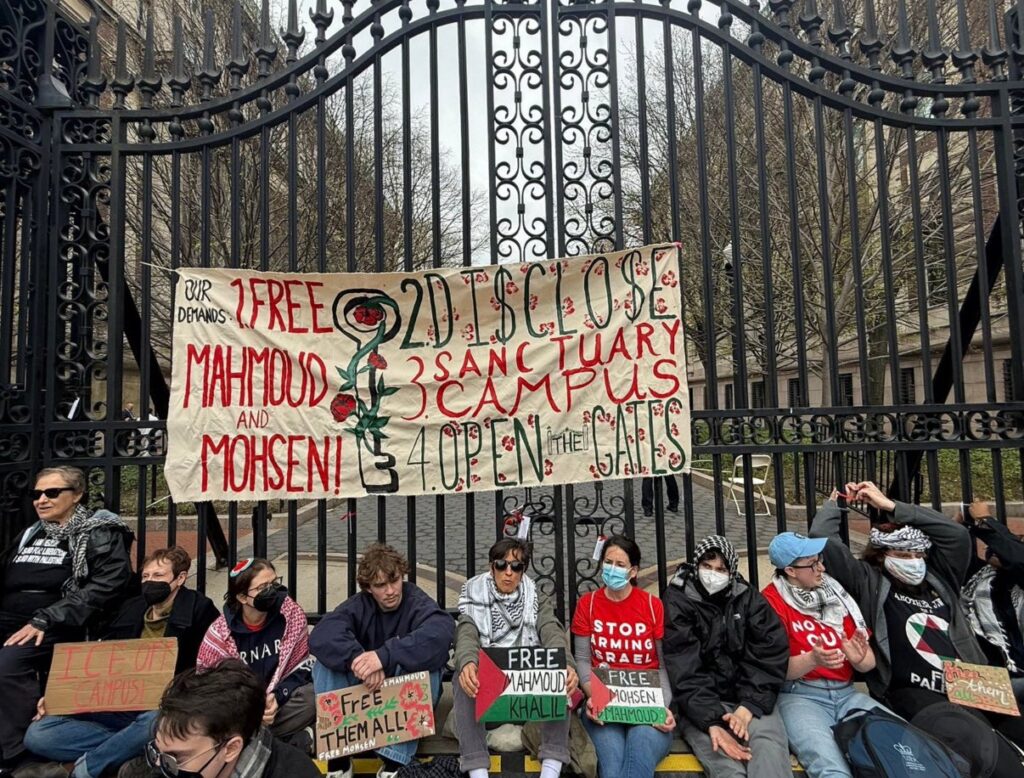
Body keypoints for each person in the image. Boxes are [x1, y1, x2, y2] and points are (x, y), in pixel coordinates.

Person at [809, 481, 1024, 747]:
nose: (913, 561)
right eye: (903, 554)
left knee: (1016, 729)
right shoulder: (867, 580)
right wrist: (836, 503)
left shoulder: (940, 577)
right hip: (914, 689)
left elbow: (955, 534)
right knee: (977, 741)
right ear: (882, 555)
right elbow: (822, 537)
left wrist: (891, 506)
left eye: (918, 554)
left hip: (971, 683)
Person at [21, 547, 219, 778]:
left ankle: (79, 769)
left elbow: (208, 669)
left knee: (156, 721)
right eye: (145, 576)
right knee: (38, 734)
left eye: (158, 575)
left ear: (180, 578)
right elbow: (101, 658)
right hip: (118, 706)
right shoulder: (131, 608)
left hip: (163, 708)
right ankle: (134, 749)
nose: (150, 582)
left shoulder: (200, 610)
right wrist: (58, 697)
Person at [0, 467, 133, 772]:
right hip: (11, 615)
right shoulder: (31, 532)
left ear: (77, 495)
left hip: (57, 621)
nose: (41, 500)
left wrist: (46, 618)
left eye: (52, 492)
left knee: (7, 664)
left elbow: (108, 583)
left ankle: (20, 755)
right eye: (36, 494)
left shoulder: (98, 530)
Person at [309, 544, 454, 778]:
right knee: (325, 664)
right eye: (380, 585)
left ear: (402, 575)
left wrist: (383, 656)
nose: (390, 591)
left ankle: (394, 762)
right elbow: (322, 634)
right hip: (366, 692)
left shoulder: (416, 600)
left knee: (429, 663)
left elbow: (441, 632)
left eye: (394, 581)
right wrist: (358, 659)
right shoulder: (359, 605)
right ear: (368, 588)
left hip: (401, 691)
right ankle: (339, 759)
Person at [662, 534, 791, 778]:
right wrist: (711, 721)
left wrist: (749, 706)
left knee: (769, 751)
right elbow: (684, 668)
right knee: (726, 764)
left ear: (731, 572)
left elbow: (769, 653)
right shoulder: (678, 600)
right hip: (699, 705)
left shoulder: (748, 598)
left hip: (750, 699)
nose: (713, 574)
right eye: (707, 566)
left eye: (721, 569)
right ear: (696, 566)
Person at [762, 532, 889, 778]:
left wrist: (859, 659)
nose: (821, 568)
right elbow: (774, 669)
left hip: (848, 694)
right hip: (801, 696)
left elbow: (868, 663)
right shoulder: (771, 601)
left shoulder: (837, 595)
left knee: (900, 749)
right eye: (812, 564)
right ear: (790, 570)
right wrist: (812, 660)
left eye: (820, 559)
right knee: (831, 768)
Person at [454, 538, 578, 778]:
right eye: (501, 565)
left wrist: (566, 665)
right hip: (490, 697)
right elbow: (466, 633)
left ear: (523, 571)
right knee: (464, 675)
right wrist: (468, 662)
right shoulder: (474, 595)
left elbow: (551, 630)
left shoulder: (535, 598)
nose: (508, 572)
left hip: (527, 700)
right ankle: (477, 770)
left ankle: (551, 768)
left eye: (516, 566)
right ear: (492, 567)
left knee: (559, 670)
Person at [571, 535, 675, 778]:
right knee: (612, 767)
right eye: (608, 563)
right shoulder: (587, 604)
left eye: (620, 565)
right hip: (604, 705)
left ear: (633, 571)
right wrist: (593, 696)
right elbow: (583, 660)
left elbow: (663, 665)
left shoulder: (652, 606)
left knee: (639, 756)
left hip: (648, 706)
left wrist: (662, 707)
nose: (612, 569)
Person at [197, 559, 315, 754]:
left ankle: (253, 744)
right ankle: (284, 742)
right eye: (262, 587)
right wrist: (254, 708)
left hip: (279, 704)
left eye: (274, 583)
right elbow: (212, 687)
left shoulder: (290, 614)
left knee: (313, 696)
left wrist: (278, 696)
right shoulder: (220, 634)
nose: (272, 591)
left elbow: (302, 665)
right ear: (242, 597)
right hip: (241, 709)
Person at [145, 660, 320, 778]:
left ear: (231, 748)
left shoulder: (296, 772)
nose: (159, 767)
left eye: (176, 758)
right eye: (155, 752)